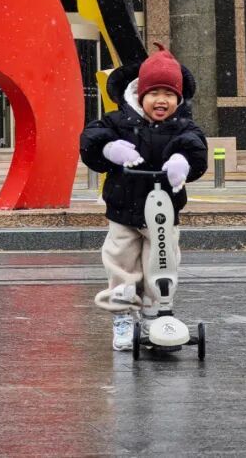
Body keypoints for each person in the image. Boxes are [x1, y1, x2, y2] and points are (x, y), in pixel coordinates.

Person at [80, 44, 208, 351]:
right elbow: (90, 139)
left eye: (169, 94)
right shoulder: (119, 121)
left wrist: (183, 163)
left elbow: (196, 147)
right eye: (154, 93)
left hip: (163, 212)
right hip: (124, 209)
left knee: (163, 260)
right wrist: (111, 149)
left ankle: (156, 311)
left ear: (179, 98)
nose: (161, 100)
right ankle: (123, 316)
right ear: (140, 94)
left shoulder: (183, 127)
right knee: (121, 262)